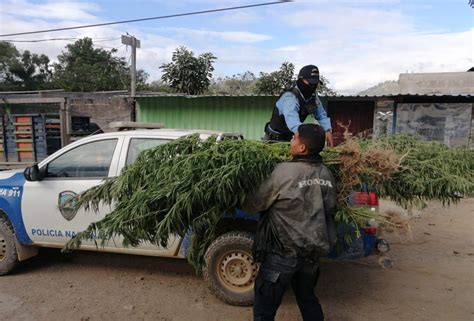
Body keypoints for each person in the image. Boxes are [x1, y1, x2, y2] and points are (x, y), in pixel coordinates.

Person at [243, 123, 337, 321]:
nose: (291, 141)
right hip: (312, 255)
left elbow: (256, 203)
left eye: (294, 138)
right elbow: (329, 208)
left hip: (282, 255)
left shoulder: (283, 172)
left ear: (302, 148)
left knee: (264, 309)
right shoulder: (327, 174)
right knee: (308, 299)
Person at [263, 65, 334, 146]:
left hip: (291, 138)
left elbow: (321, 115)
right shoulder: (290, 97)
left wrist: (328, 130)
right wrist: (310, 139)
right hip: (274, 141)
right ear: (301, 80)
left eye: (315, 83)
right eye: (310, 82)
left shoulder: (312, 97)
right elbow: (294, 124)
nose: (313, 86)